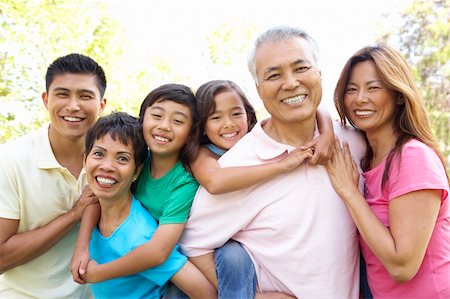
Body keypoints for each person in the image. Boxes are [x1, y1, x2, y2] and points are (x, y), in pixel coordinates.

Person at [178, 26, 366, 298]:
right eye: (274, 75)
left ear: (319, 74)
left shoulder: (354, 142)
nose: (290, 83)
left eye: (301, 68)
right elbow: (193, 243)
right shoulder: (238, 166)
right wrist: (252, 296)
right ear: (259, 89)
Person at [326, 44, 450, 298]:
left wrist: (350, 193)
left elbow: (402, 266)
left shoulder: (412, 157)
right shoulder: (365, 159)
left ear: (399, 95)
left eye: (373, 87)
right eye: (352, 89)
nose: (360, 98)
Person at [71, 84, 216, 298]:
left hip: (175, 255)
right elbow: (96, 198)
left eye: (177, 121)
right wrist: (81, 248)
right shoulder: (139, 159)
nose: (165, 126)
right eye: (157, 115)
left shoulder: (183, 183)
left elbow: (157, 253)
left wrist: (99, 273)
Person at [0, 53, 106, 298]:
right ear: (46, 99)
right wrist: (74, 215)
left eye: (85, 96)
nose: (73, 106)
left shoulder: (118, 161)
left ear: (101, 104)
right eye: (62, 94)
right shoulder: (10, 160)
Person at [191, 79, 334, 195]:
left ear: (248, 116)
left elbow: (317, 108)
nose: (229, 124)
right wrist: (282, 165)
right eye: (216, 117)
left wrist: (327, 134)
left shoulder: (256, 138)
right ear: (203, 126)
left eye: (236, 114)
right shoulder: (203, 153)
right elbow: (214, 183)